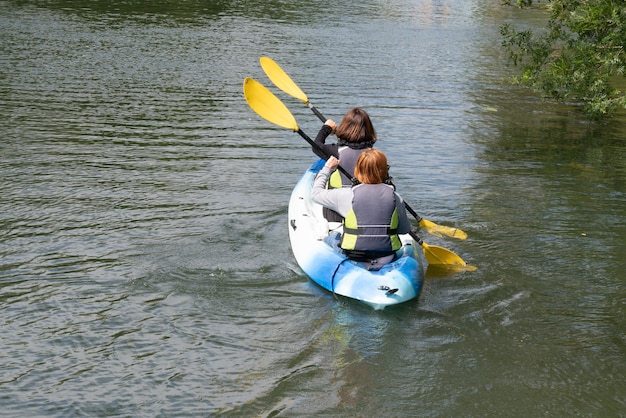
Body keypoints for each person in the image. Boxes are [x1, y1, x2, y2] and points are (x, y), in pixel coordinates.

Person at [311, 149, 411, 270]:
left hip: (353, 257)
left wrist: (327, 168)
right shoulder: (396, 197)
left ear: (357, 170)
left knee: (333, 237)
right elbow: (404, 230)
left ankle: (325, 237)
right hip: (386, 256)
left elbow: (315, 194)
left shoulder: (347, 195)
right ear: (385, 171)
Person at [313, 108, 377, 222]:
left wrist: (326, 128)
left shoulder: (336, 151)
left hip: (335, 215)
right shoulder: (374, 154)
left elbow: (316, 145)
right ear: (369, 130)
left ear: (344, 127)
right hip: (367, 211)